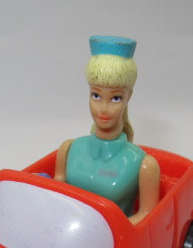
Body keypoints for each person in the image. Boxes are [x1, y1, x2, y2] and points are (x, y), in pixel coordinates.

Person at [55, 36, 160, 225]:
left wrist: (112, 233)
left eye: (115, 98)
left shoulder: (143, 165)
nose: (103, 108)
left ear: (128, 97)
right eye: (96, 95)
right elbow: (55, 197)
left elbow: (147, 215)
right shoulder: (69, 149)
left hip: (114, 239)